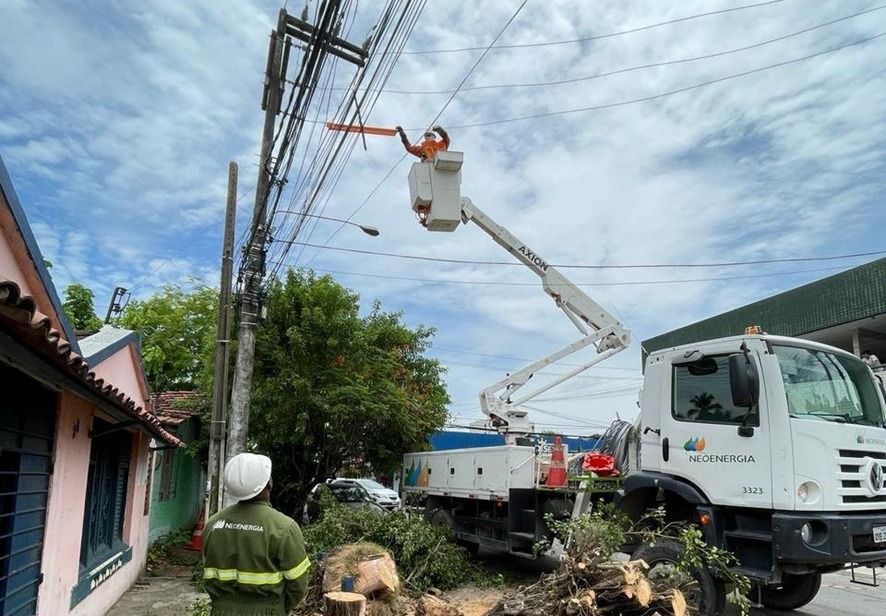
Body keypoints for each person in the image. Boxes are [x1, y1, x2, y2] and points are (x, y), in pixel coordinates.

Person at [203, 453, 310, 616]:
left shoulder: (213, 524)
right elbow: (298, 585)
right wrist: (278, 608)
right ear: (268, 485)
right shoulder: (284, 527)